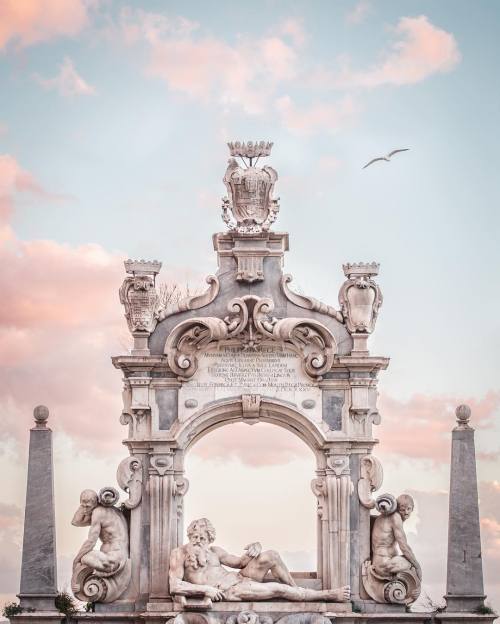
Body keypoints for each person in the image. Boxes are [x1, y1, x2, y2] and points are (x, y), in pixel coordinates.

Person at [169, 517, 350, 602]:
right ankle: (327, 595)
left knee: (271, 555)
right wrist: (205, 590)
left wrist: (255, 548)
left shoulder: (215, 551)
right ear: (190, 535)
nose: (199, 541)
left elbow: (239, 563)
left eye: (203, 538)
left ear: (210, 539)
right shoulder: (180, 554)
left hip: (238, 578)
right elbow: (175, 586)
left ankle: (297, 593)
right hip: (230, 591)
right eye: (195, 537)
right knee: (278, 589)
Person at [71, 489, 128, 576]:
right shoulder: (112, 511)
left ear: (95, 503)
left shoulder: (98, 512)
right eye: (83, 506)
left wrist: (76, 560)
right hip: (117, 557)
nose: (85, 510)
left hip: (112, 560)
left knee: (83, 558)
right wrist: (84, 505)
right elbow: (76, 522)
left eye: (88, 507)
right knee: (84, 558)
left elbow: (91, 542)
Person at [371, 494, 422, 580]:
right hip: (383, 564)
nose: (406, 512)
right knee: (411, 564)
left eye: (409, 509)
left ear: (412, 508)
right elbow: (404, 547)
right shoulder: (395, 517)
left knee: (410, 560)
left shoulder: (385, 517)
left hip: (384, 562)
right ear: (397, 509)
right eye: (402, 509)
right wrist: (418, 567)